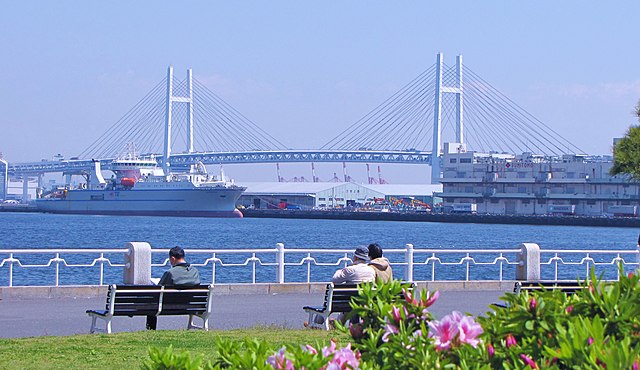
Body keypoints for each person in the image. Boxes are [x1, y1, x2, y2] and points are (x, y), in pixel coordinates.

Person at [147, 246, 201, 330]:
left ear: (172, 258)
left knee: (151, 304)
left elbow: (158, 289)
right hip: (191, 306)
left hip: (168, 306)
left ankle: (150, 330)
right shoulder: (195, 272)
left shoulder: (170, 273)